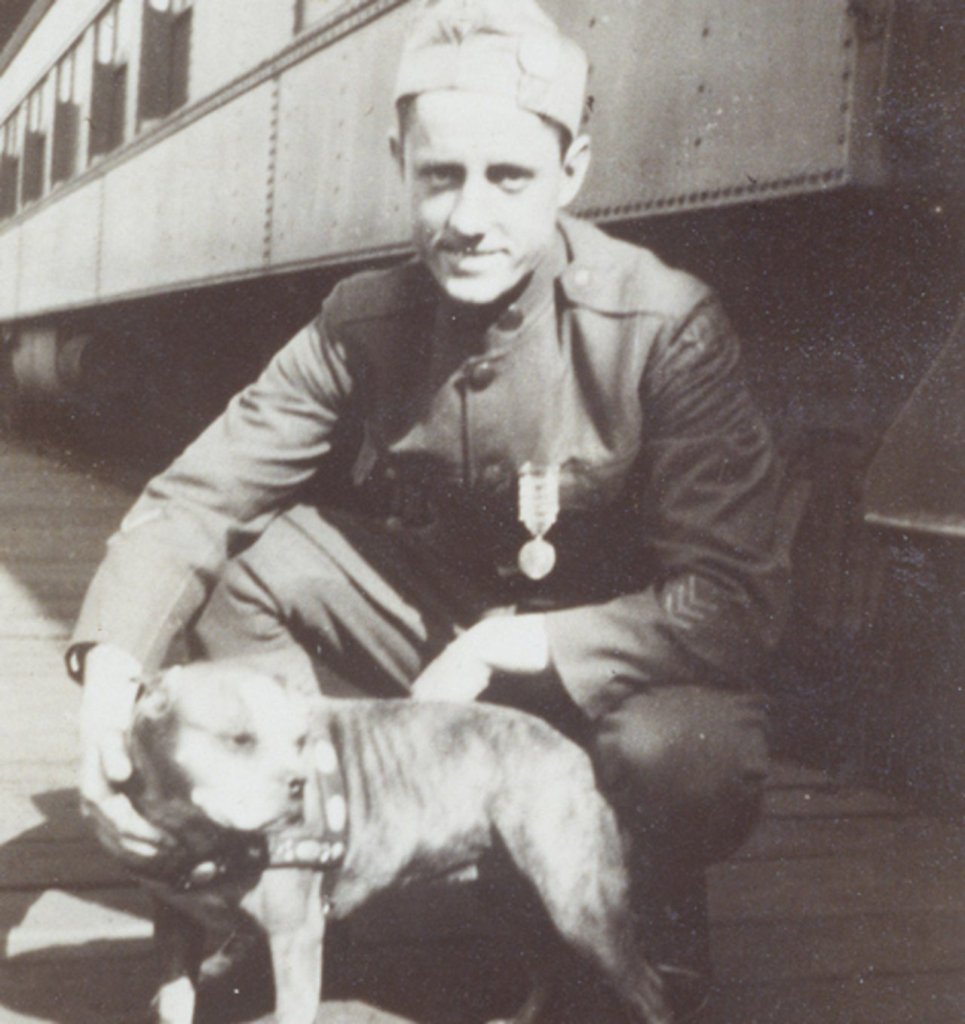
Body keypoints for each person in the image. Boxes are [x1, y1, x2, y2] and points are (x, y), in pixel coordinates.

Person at [70, 0, 790, 1015]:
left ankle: (648, 910)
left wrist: (514, 646)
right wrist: (108, 694)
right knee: (239, 558)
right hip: (428, 624)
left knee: (687, 755)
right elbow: (196, 498)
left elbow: (731, 603)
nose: (467, 217)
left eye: (509, 177)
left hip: (610, 665)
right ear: (398, 161)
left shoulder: (662, 325)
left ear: (572, 170)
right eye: (438, 175)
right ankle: (298, 862)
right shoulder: (360, 318)